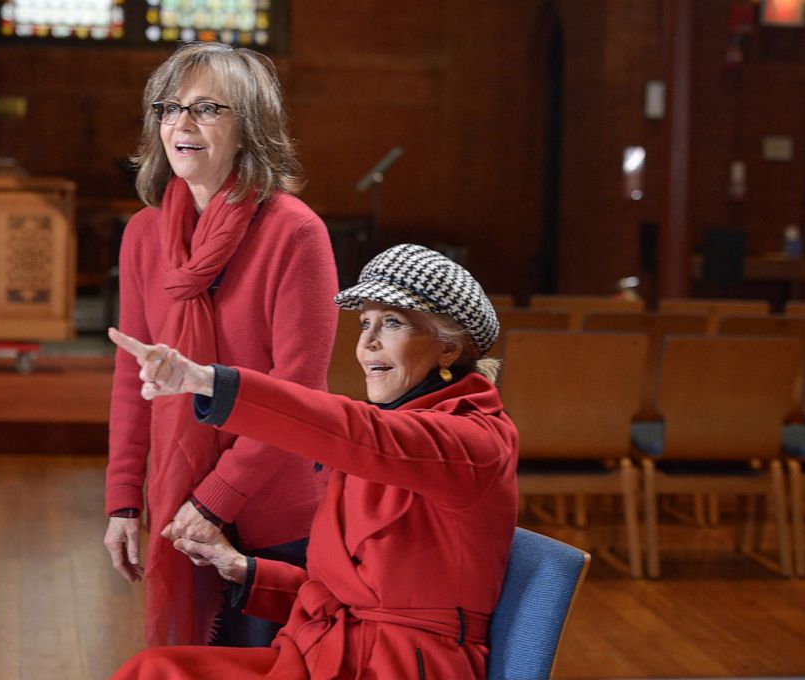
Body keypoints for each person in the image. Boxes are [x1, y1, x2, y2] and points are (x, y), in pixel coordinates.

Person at [109, 243, 520, 680]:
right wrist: (243, 569)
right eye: (364, 324)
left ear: (448, 350)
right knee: (155, 669)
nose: (368, 342)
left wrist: (209, 381)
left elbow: (358, 433)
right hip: (323, 658)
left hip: (406, 667)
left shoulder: (474, 441)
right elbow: (338, 600)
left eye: (393, 323)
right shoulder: (390, 429)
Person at [103, 41, 339, 648]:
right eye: (168, 107)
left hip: (273, 513)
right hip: (177, 508)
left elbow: (297, 394)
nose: (180, 124)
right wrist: (125, 499)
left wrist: (212, 503)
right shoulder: (144, 235)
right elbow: (134, 382)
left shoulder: (296, 233)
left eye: (207, 109)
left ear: (250, 127)